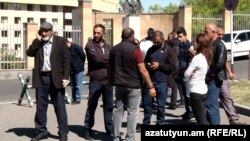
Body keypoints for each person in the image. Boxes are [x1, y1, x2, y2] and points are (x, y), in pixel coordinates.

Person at [109, 27, 156, 141]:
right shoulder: (135, 49)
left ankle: (115, 136)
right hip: (133, 84)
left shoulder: (114, 49)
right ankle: (130, 137)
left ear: (122, 36)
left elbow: (110, 67)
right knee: (132, 112)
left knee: (118, 110)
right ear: (132, 36)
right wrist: (151, 86)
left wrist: (111, 81)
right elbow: (142, 70)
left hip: (119, 84)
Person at [27, 22, 70, 141]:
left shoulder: (61, 41)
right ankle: (41, 131)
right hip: (41, 78)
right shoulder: (38, 43)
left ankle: (63, 133)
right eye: (42, 30)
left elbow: (67, 60)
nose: (44, 33)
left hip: (56, 78)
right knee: (41, 107)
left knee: (60, 107)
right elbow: (29, 53)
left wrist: (66, 77)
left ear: (51, 31)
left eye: (46, 31)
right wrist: (37, 40)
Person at [83, 24, 113, 140]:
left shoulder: (108, 46)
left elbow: (112, 59)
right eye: (94, 32)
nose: (96, 35)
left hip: (108, 81)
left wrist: (107, 61)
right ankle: (87, 131)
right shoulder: (90, 45)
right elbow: (97, 59)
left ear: (103, 33)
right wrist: (108, 61)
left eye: (98, 33)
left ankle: (109, 130)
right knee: (91, 106)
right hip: (96, 80)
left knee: (108, 106)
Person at [143, 30, 177, 125]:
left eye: (158, 41)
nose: (156, 43)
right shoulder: (151, 49)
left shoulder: (169, 50)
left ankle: (160, 123)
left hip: (162, 81)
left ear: (163, 39)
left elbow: (173, 67)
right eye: (154, 41)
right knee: (147, 105)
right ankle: (146, 123)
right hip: (150, 81)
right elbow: (144, 62)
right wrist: (148, 65)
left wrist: (160, 66)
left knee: (161, 106)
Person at [217, 26, 245, 125]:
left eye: (222, 34)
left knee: (227, 98)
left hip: (222, 76)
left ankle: (234, 120)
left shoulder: (223, 44)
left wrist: (229, 72)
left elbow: (224, 61)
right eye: (218, 34)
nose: (220, 36)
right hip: (211, 78)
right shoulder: (210, 44)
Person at [184, 33, 213, 125]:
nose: (194, 44)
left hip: (196, 91)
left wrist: (190, 75)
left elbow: (186, 74)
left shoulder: (197, 57)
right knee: (202, 117)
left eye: (196, 42)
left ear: (200, 44)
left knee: (201, 120)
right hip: (203, 89)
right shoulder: (206, 56)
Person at [204, 23, 227, 125]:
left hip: (214, 78)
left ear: (213, 32)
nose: (205, 34)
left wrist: (210, 74)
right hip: (207, 78)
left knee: (211, 104)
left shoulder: (219, 44)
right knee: (207, 104)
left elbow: (220, 62)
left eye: (206, 32)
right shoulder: (209, 44)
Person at [176, 27, 194, 120]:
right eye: (178, 37)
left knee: (188, 93)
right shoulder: (180, 45)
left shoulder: (188, 45)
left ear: (185, 36)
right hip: (181, 72)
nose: (179, 38)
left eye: (180, 36)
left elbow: (194, 57)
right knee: (184, 93)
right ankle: (188, 111)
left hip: (187, 72)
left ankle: (191, 112)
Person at [67, 40, 86, 105]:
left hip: (78, 69)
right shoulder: (67, 49)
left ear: (68, 42)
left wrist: (80, 64)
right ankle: (73, 98)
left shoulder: (77, 47)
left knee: (78, 85)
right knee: (73, 85)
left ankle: (78, 99)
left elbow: (83, 56)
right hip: (71, 69)